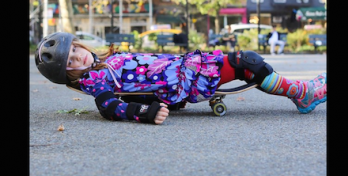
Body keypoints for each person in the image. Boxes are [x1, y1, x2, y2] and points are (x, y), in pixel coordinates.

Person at [35, 32, 327, 125]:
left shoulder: (103, 61)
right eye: (71, 62)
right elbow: (109, 107)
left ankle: (301, 93)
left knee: (247, 64)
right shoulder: (97, 81)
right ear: (68, 75)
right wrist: (145, 113)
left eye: (75, 49)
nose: (78, 57)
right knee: (247, 62)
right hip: (187, 79)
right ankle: (304, 92)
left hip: (188, 66)